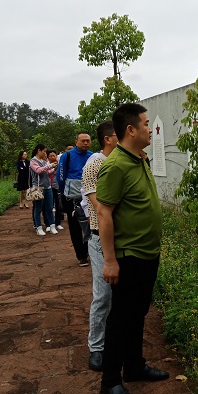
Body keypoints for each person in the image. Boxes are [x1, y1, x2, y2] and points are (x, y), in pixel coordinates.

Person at [96, 103, 168, 394]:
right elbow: (104, 214)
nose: (150, 129)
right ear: (131, 130)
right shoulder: (115, 166)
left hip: (148, 253)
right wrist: (110, 260)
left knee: (138, 313)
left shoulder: (139, 159)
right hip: (128, 256)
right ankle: (110, 382)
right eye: (146, 123)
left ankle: (135, 366)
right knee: (121, 318)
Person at [81, 121, 118, 371]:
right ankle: (96, 346)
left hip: (122, 236)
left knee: (119, 295)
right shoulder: (95, 164)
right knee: (103, 294)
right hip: (99, 236)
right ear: (108, 139)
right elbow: (99, 208)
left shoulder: (122, 160)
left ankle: (114, 341)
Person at [57, 132, 93, 266]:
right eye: (83, 140)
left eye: (88, 141)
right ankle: (82, 256)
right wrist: (62, 192)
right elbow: (60, 176)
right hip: (72, 198)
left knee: (91, 225)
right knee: (75, 227)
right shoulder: (67, 156)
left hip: (90, 197)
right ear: (76, 141)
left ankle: (90, 251)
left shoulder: (92, 156)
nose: (85, 143)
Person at [30, 144, 58, 236]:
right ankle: (38, 227)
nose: (45, 153)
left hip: (48, 187)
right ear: (39, 150)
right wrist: (50, 165)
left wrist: (53, 169)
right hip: (38, 188)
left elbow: (47, 172)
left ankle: (52, 226)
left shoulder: (44, 161)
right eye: (44, 151)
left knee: (49, 208)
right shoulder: (33, 161)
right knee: (38, 209)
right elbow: (38, 170)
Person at [46, 149, 64, 232]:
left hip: (57, 186)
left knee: (58, 205)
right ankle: (48, 224)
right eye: (51, 156)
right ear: (48, 157)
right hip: (48, 186)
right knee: (48, 206)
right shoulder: (46, 165)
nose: (53, 157)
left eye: (54, 156)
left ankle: (58, 223)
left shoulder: (60, 164)